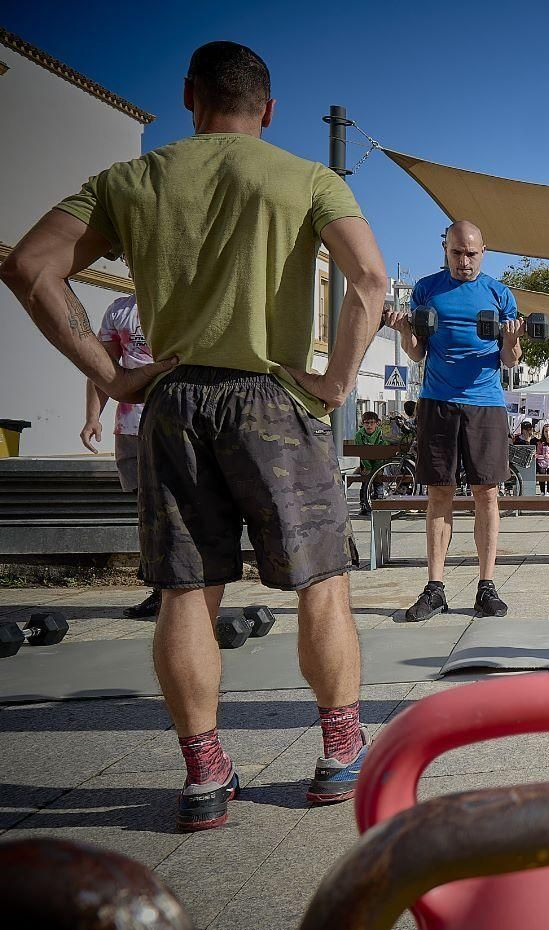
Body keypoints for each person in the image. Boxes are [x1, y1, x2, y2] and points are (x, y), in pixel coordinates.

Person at [2, 40, 387, 830]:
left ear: (189, 98)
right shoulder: (306, 178)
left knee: (186, 590)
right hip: (273, 399)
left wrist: (109, 376)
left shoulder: (131, 180)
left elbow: (30, 266)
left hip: (172, 401)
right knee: (322, 581)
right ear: (269, 108)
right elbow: (372, 282)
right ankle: (339, 754)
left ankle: (206, 776)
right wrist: (339, 382)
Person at [390, 220, 523, 622]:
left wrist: (513, 340)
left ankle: (486, 586)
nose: (464, 261)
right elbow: (416, 352)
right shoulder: (426, 290)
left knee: (487, 494)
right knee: (438, 495)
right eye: (457, 253)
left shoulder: (500, 294)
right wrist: (402, 331)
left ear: (484, 252)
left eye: (472, 254)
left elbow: (510, 360)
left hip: (485, 403)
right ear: (445, 248)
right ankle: (435, 588)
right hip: (437, 401)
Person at [81, 292, 162, 619]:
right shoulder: (120, 310)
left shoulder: (184, 297)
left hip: (178, 423)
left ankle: (192, 592)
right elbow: (103, 368)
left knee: (184, 509)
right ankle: (159, 591)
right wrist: (92, 416)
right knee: (149, 513)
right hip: (131, 427)